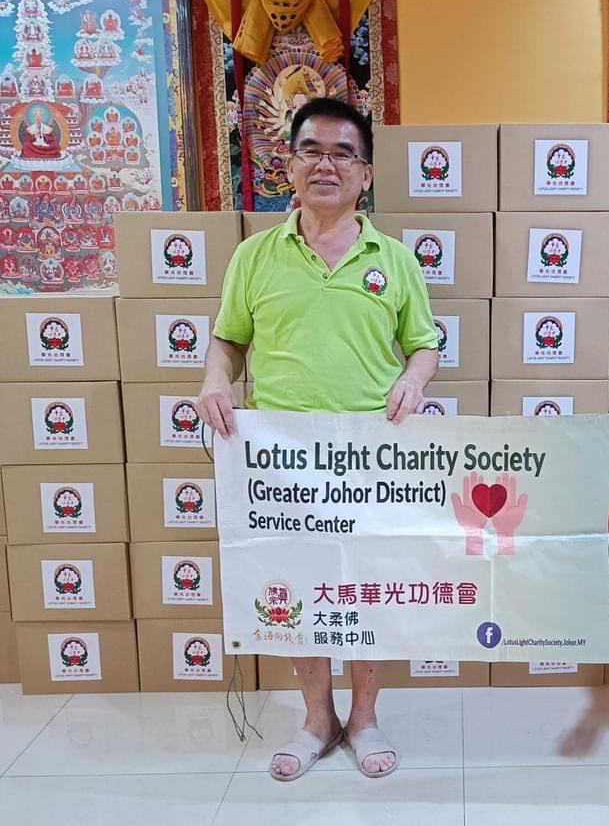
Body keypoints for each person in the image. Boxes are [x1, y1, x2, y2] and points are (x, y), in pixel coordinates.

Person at [197, 97, 439, 782]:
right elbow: (227, 342)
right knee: (298, 588)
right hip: (282, 462)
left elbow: (424, 346)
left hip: (371, 457)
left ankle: (363, 719)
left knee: (368, 591)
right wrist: (213, 379)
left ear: (365, 174)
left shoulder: (394, 260)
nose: (326, 165)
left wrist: (414, 379)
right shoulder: (254, 257)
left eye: (343, 154)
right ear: (290, 165)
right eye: (311, 150)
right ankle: (316, 719)